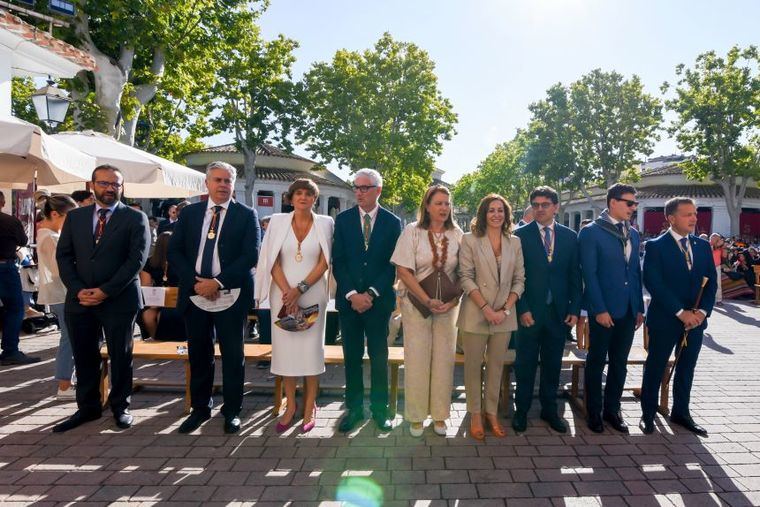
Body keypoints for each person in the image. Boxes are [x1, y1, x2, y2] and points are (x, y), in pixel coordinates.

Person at [54, 165, 151, 432]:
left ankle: (121, 407)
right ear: (92, 185)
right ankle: (87, 408)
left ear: (122, 188)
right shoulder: (75, 218)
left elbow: (136, 260)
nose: (110, 188)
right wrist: (77, 289)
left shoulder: (135, 218)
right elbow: (64, 256)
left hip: (119, 299)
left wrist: (105, 291)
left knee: (121, 354)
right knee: (84, 355)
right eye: (104, 183)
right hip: (80, 299)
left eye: (115, 185)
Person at [169, 161, 260, 434]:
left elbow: (250, 255)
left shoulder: (247, 215)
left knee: (233, 354)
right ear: (207, 183)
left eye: (227, 181)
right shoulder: (190, 214)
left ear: (233, 185)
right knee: (199, 353)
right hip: (194, 294)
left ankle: (232, 411)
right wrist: (195, 283)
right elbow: (174, 252)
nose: (222, 185)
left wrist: (217, 282)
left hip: (230, 294)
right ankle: (199, 409)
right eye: (217, 180)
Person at [255, 179, 333, 433]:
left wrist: (300, 289)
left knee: (310, 353)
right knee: (287, 353)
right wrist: (288, 293)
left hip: (312, 295)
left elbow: (324, 262)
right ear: (290, 198)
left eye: (308, 194)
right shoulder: (277, 222)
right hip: (283, 296)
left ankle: (310, 406)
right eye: (298, 193)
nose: (303, 197)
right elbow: (272, 260)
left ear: (315, 199)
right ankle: (290, 406)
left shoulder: (325, 223)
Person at [640, 198, 717, 436]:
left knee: (687, 367)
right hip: (665, 319)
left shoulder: (703, 246)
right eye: (687, 214)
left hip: (695, 322)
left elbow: (711, 284)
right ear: (671, 218)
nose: (694, 218)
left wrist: (701, 313)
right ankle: (648, 413)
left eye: (695, 214)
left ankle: (681, 412)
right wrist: (680, 312)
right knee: (656, 366)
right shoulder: (655, 246)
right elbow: (654, 282)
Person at [333, 169, 402, 433]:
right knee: (351, 356)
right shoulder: (343, 220)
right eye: (356, 187)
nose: (359, 192)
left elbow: (392, 266)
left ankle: (380, 410)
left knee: (378, 356)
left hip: (379, 302)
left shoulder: (392, 222)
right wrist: (352, 294)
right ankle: (354, 409)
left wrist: (371, 294)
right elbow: (338, 261)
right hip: (349, 303)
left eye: (364, 187)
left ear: (378, 190)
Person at [391, 185, 463, 437]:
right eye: (439, 203)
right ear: (427, 206)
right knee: (417, 359)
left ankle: (441, 416)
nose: (444, 208)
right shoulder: (412, 231)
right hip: (415, 305)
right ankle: (416, 416)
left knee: (444, 360)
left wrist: (452, 302)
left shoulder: (457, 234)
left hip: (447, 308)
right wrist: (426, 299)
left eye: (447, 203)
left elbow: (465, 273)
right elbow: (403, 271)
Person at [513, 186, 582, 434]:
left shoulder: (570, 236)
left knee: (553, 366)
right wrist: (522, 308)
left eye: (545, 204)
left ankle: (549, 410)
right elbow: (515, 277)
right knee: (525, 365)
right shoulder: (519, 236)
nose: (539, 209)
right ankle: (520, 411)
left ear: (556, 207)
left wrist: (575, 307)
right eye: (535, 204)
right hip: (529, 313)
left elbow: (575, 275)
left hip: (559, 314)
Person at [578, 183, 645, 434]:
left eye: (635, 204)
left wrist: (639, 308)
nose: (633, 208)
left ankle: (612, 410)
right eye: (630, 203)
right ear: (613, 202)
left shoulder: (634, 233)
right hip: (604, 311)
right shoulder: (591, 233)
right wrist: (599, 309)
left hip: (628, 310)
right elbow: (590, 275)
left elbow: (635, 272)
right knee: (596, 362)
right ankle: (593, 412)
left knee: (620, 363)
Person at [457, 194, 524, 439]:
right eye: (491, 210)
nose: (496, 214)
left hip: (505, 315)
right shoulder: (469, 240)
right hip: (476, 312)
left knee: (495, 367)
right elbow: (465, 276)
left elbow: (520, 279)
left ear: (506, 215)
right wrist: (486, 308)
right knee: (473, 367)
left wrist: (505, 309)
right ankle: (475, 413)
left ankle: (491, 413)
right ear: (483, 214)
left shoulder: (514, 242)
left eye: (500, 210)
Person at [35, 192, 78, 398]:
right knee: (69, 338)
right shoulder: (50, 236)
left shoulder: (49, 233)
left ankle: (67, 381)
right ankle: (64, 385)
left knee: (70, 337)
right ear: (54, 214)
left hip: (62, 291)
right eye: (69, 217)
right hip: (62, 292)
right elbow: (60, 269)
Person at [0, 191, 41, 365]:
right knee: (15, 308)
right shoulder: (9, 221)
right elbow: (23, 241)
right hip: (4, 267)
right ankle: (10, 350)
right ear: (2, 202)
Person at [140, 232, 184, 341]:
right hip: (156, 300)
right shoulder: (149, 263)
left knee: (163, 317)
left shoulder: (181, 261)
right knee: (148, 316)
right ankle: (156, 339)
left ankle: (168, 341)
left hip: (177, 300)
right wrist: (153, 303)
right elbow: (145, 287)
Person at [709, 233, 726, 306]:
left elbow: (724, 256)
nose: (718, 240)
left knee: (718, 283)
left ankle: (719, 300)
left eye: (719, 239)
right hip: (708, 266)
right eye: (717, 239)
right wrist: (718, 245)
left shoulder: (720, 246)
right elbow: (712, 249)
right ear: (712, 238)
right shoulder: (707, 244)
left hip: (717, 266)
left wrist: (724, 248)